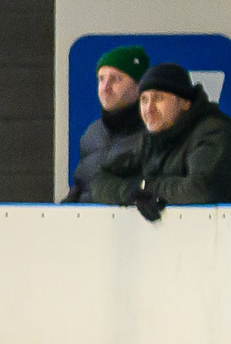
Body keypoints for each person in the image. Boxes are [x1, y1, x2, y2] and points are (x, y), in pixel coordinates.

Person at [83, 63, 231, 216]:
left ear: (185, 103)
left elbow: (201, 190)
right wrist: (130, 193)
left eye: (159, 98)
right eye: (144, 100)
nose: (149, 109)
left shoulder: (214, 131)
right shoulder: (149, 139)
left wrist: (145, 186)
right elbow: (99, 181)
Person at [66, 44, 148, 201]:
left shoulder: (153, 135)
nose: (105, 88)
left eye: (115, 79)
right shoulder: (92, 133)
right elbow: (81, 185)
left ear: (138, 87)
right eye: (101, 79)